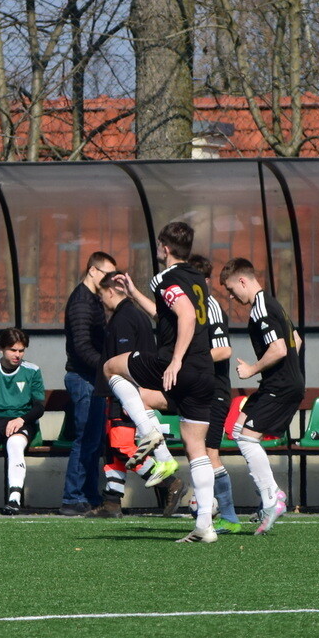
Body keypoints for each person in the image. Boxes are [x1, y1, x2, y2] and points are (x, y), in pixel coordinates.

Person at [100, 220, 220, 543]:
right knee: (196, 448)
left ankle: (149, 433)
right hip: (204, 371)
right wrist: (134, 293)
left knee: (111, 368)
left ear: (165, 248)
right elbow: (166, 315)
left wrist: (176, 359)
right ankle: (204, 526)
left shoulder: (166, 277)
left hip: (176, 364)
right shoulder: (197, 278)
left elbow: (186, 315)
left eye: (158, 246)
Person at [219, 257, 301, 534]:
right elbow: (297, 340)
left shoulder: (262, 309)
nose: (232, 297)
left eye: (231, 290)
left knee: (246, 438)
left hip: (280, 387)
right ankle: (271, 495)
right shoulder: (272, 303)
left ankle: (271, 498)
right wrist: (286, 371)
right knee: (238, 429)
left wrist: (252, 369)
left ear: (243, 281)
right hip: (278, 383)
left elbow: (279, 349)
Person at [187, 253, 243, 534]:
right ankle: (206, 510)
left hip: (214, 391)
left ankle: (229, 516)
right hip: (194, 390)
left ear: (205, 282)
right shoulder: (187, 308)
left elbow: (223, 350)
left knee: (210, 452)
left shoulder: (210, 307)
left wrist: (188, 360)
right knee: (196, 450)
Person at [61, 252, 117, 516]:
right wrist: (107, 366)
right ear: (93, 271)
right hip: (83, 378)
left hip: (90, 378)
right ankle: (73, 498)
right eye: (107, 274)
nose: (111, 280)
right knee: (85, 440)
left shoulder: (92, 299)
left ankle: (89, 495)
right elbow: (82, 346)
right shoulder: (82, 302)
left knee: (93, 440)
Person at [0, 328, 43, 514]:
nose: (17, 355)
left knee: (15, 443)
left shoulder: (32, 371)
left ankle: (14, 500)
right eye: (12, 350)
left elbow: (39, 407)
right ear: (1, 348)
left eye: (21, 350)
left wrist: (21, 419)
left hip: (21, 422)